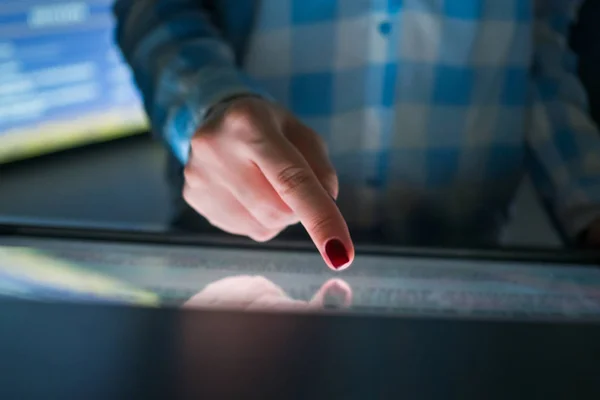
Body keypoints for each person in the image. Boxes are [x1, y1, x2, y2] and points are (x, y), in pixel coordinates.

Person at [113, 0, 600, 270]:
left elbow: (540, 52)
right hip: (235, 269)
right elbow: (158, 8)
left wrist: (590, 203)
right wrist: (208, 104)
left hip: (467, 275)